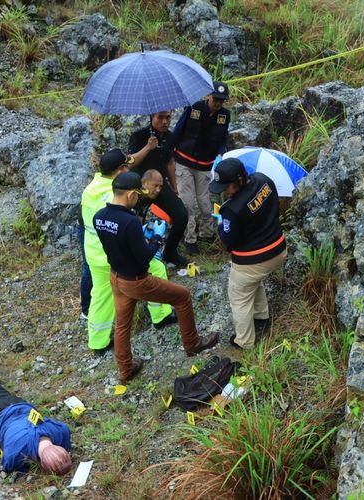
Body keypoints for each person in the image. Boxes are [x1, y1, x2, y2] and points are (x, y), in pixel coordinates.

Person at [93, 171, 219, 382]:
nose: (138, 199)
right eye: (137, 195)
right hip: (137, 279)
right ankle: (192, 344)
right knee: (183, 296)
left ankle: (125, 369)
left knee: (122, 325)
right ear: (131, 194)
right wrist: (157, 239)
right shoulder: (129, 221)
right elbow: (144, 258)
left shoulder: (100, 217)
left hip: (116, 277)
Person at [81, 149, 177, 355]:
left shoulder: (91, 188)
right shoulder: (115, 194)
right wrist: (149, 239)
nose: (128, 169)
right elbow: (122, 224)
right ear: (118, 171)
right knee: (157, 268)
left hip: (94, 252)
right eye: (125, 167)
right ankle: (161, 316)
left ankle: (98, 342)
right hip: (115, 253)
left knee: (100, 295)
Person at [209, 158, 287, 350]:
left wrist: (221, 224)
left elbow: (228, 239)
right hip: (278, 248)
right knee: (253, 282)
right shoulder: (264, 181)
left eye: (227, 186)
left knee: (239, 298)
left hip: (252, 260)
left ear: (240, 180)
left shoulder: (232, 209)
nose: (224, 191)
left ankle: (244, 342)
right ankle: (261, 317)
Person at [172, 81, 231, 256]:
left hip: (205, 165)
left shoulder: (225, 115)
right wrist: (169, 151)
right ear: (208, 96)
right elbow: (179, 129)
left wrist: (221, 153)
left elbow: (223, 138)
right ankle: (189, 239)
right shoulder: (194, 108)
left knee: (205, 204)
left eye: (222, 100)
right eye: (215, 99)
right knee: (187, 203)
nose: (218, 103)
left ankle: (207, 234)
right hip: (184, 161)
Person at [128, 111, 189, 266]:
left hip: (160, 186)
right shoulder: (139, 136)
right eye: (160, 117)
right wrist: (148, 147)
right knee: (134, 222)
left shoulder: (170, 136)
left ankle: (170, 252)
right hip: (140, 186)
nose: (165, 121)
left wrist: (175, 188)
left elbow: (169, 162)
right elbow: (131, 162)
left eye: (168, 117)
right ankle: (137, 254)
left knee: (181, 215)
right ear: (151, 117)